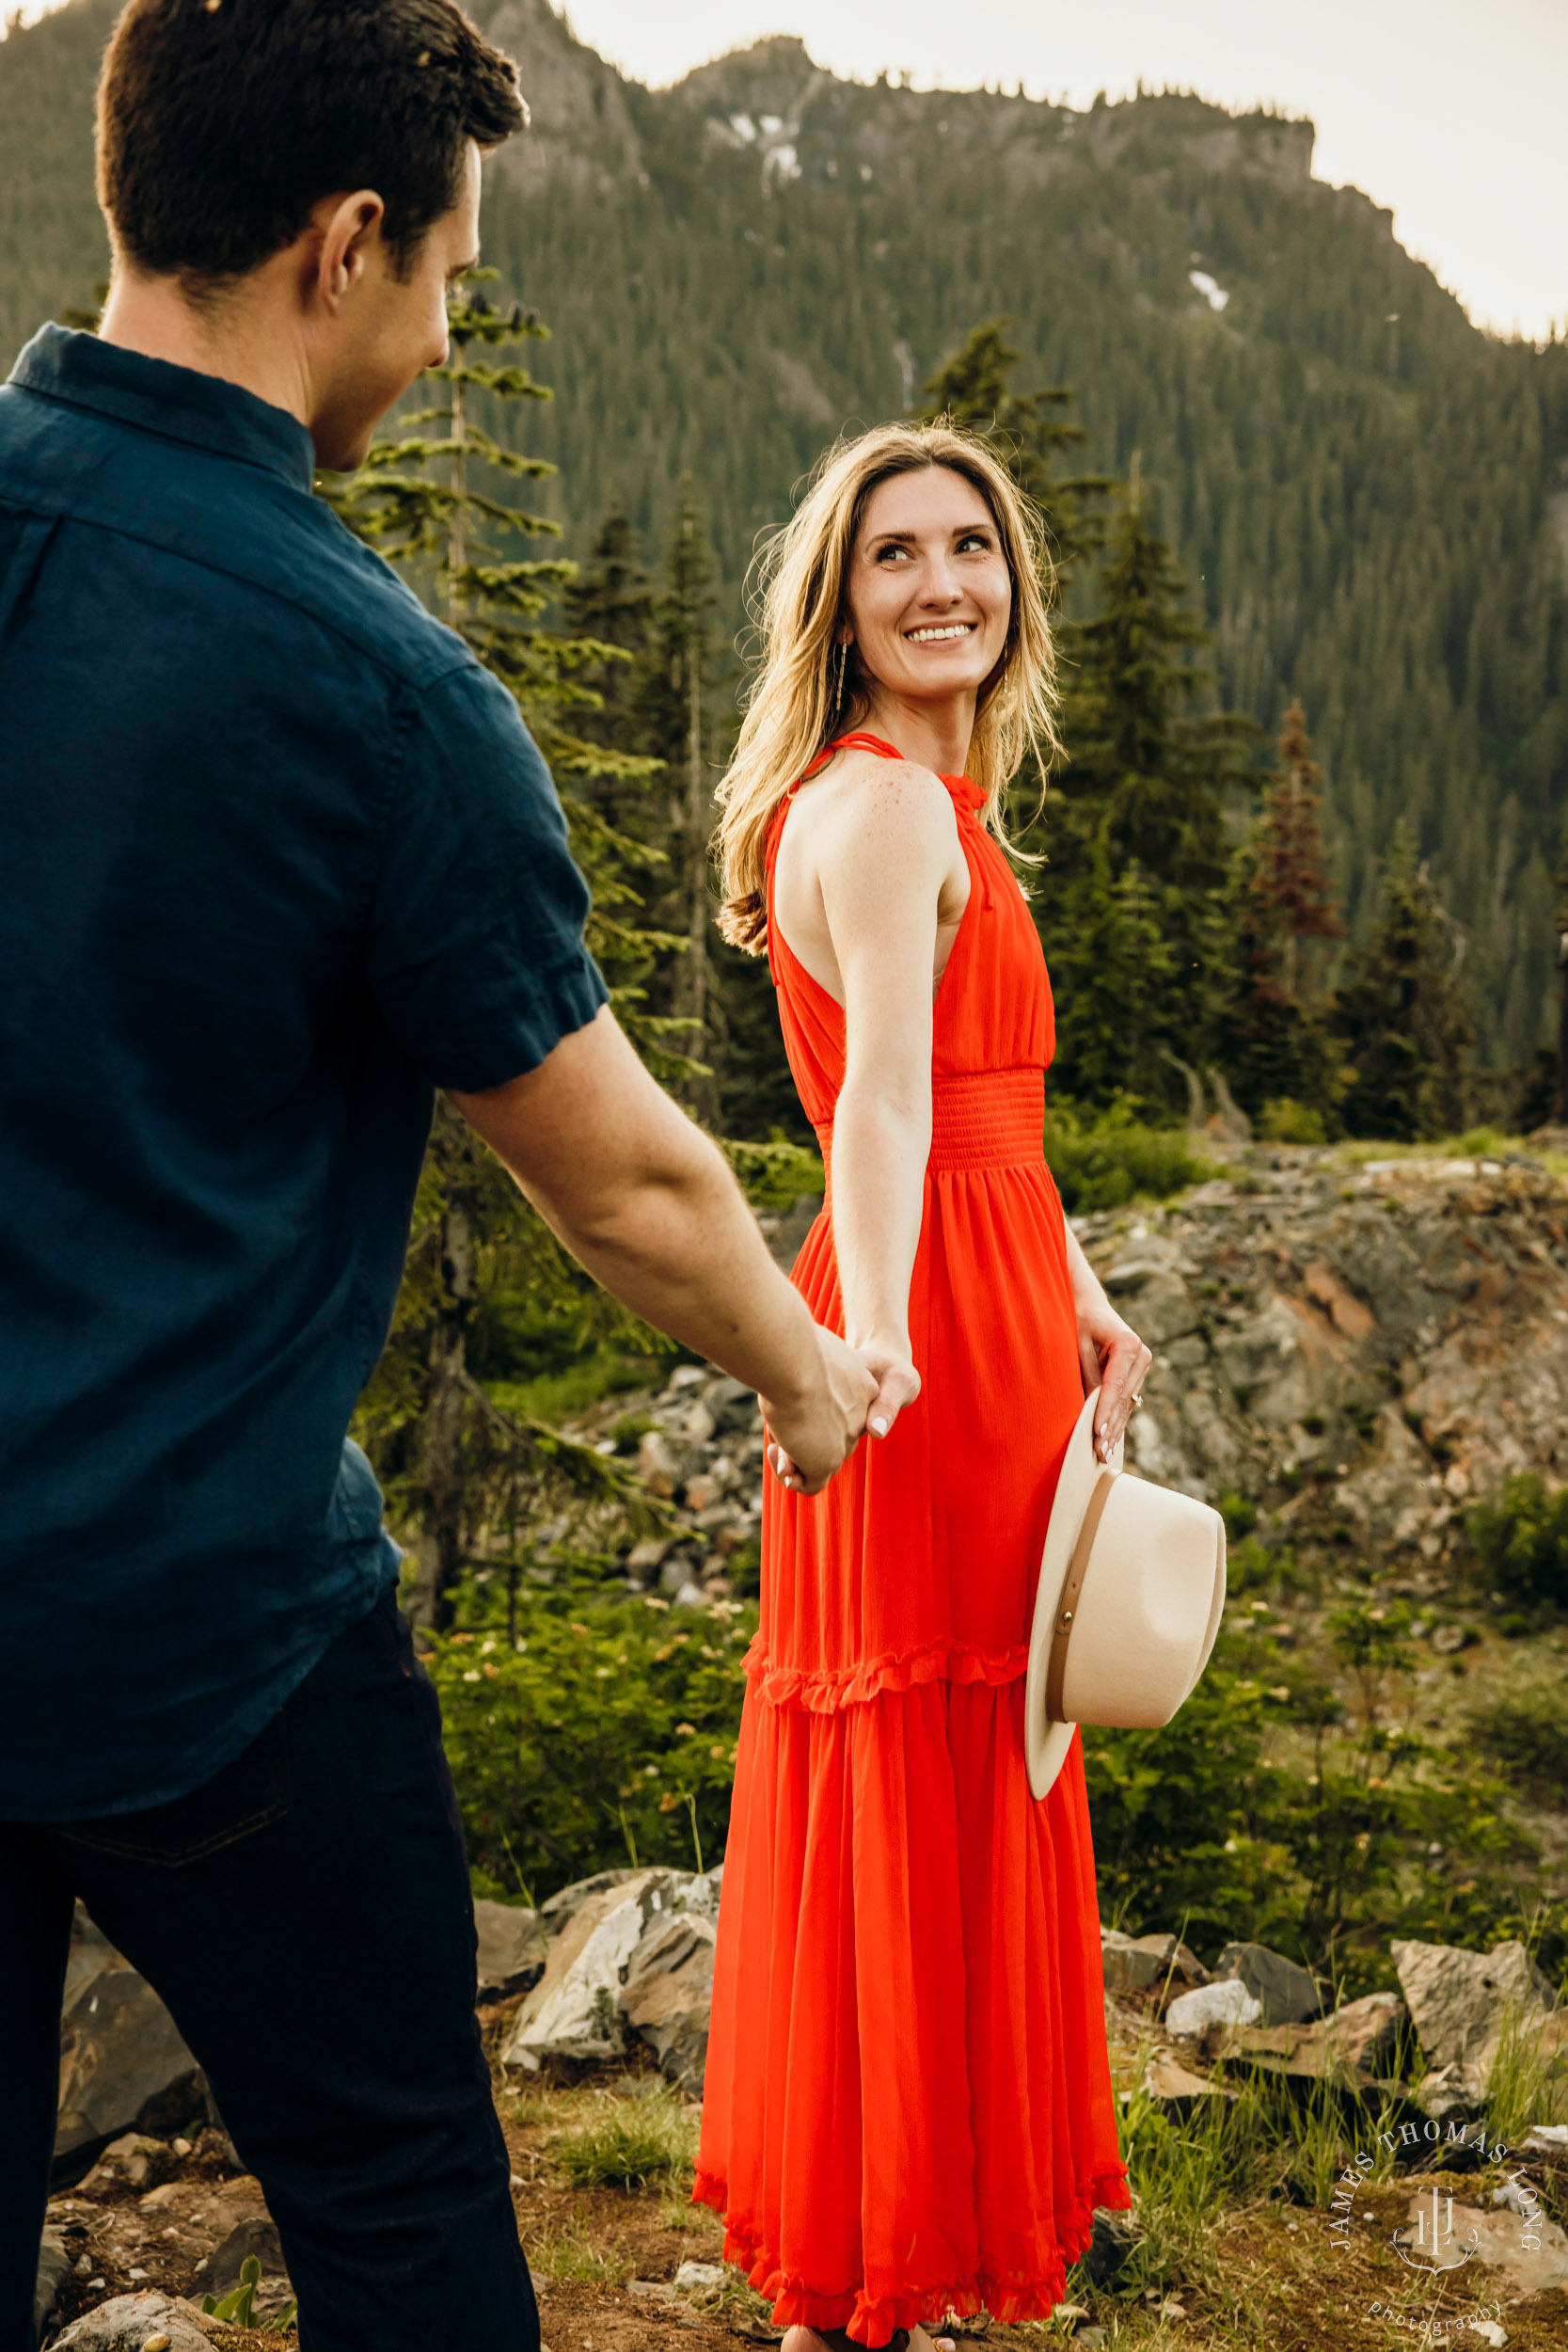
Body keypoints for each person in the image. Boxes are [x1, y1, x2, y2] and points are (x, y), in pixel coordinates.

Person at [0, 6, 877, 2349]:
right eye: (448, 272)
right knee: (393, 2200)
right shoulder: (374, 690)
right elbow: (631, 1192)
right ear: (347, 239)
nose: (444, 326)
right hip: (207, 1644)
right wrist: (805, 1378)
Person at [696, 425, 1153, 2345]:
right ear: (844, 599)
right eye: (899, 555)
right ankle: (870, 2273)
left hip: (988, 1291)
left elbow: (984, 1112)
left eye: (975, 545)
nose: (945, 579)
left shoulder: (928, 805)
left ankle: (907, 2239)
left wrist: (1078, 1280)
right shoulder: (881, 809)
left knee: (972, 1740)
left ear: (1012, 583)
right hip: (920, 1336)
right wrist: (871, 1337)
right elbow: (878, 1099)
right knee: (929, 1739)